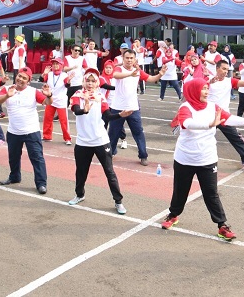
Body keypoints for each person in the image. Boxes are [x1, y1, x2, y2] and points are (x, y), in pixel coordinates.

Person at [160, 78, 244, 241]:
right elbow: (186, 123)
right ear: (194, 90)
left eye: (208, 89)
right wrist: (209, 124)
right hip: (185, 158)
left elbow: (228, 119)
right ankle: (173, 215)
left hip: (207, 158)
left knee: (211, 193)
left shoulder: (213, 106)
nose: (207, 92)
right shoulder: (185, 107)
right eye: (203, 89)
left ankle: (222, 225)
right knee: (180, 190)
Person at [68, 68, 131, 214]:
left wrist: (120, 115)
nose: (90, 84)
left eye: (93, 81)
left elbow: (107, 115)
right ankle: (79, 194)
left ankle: (118, 201)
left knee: (109, 172)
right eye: (88, 81)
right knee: (81, 172)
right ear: (84, 82)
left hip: (101, 141)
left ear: (97, 83)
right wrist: (85, 110)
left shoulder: (100, 97)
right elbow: (76, 110)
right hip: (83, 142)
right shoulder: (77, 95)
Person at [0, 67, 53, 194]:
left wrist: (49, 95)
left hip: (31, 131)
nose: (20, 79)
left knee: (37, 158)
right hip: (13, 131)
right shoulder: (8, 89)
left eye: (24, 78)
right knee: (13, 157)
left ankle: (41, 184)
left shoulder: (33, 91)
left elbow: (47, 102)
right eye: (19, 76)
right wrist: (6, 95)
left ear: (29, 81)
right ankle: (14, 177)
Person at [108, 50, 167, 165]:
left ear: (135, 59)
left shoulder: (138, 71)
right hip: (118, 107)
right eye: (127, 58)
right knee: (113, 133)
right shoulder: (119, 69)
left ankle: (143, 156)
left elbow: (150, 79)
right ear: (123, 58)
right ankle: (110, 153)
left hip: (133, 108)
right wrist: (130, 74)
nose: (129, 60)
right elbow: (115, 75)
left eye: (131, 58)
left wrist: (160, 74)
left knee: (138, 132)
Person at [208, 60, 244, 172]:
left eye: (227, 69)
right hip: (210, 115)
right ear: (217, 68)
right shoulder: (209, 80)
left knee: (236, 138)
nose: (226, 71)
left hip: (225, 117)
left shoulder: (229, 81)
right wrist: (209, 82)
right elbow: (200, 87)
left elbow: (241, 83)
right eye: (223, 69)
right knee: (201, 136)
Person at [41, 58, 73, 145]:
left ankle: (67, 138)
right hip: (50, 99)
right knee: (47, 118)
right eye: (54, 64)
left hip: (61, 100)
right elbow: (41, 79)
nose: (55, 65)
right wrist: (44, 73)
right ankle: (47, 136)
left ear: (61, 65)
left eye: (57, 64)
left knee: (63, 120)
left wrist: (69, 81)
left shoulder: (64, 75)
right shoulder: (49, 74)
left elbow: (67, 85)